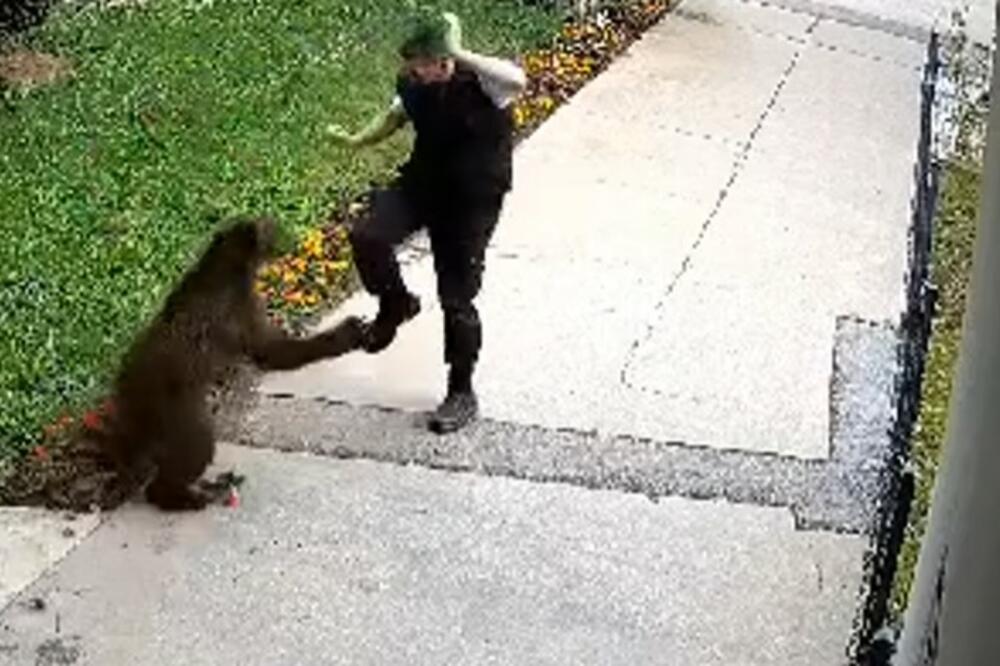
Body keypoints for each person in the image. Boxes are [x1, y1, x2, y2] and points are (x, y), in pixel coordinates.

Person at [326, 10, 526, 433]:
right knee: (368, 236)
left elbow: (517, 81)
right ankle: (396, 303)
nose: (413, 71)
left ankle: (461, 391)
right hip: (423, 184)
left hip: (471, 200)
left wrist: (461, 53)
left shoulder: (485, 84)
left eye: (421, 62)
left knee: (457, 297)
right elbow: (395, 115)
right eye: (411, 62)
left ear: (443, 59)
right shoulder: (415, 84)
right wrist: (358, 140)